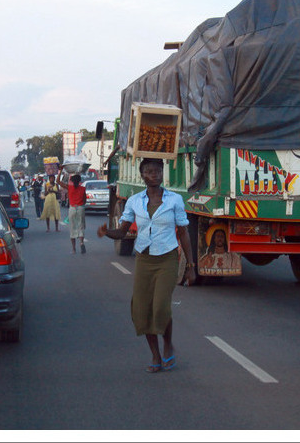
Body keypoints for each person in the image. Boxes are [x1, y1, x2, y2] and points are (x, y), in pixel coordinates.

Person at [97, 157, 196, 373]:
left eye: (158, 170)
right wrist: (107, 233)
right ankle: (155, 353)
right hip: (144, 259)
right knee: (142, 310)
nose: (155, 174)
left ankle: (168, 344)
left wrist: (190, 265)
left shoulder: (175, 200)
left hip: (167, 259)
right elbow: (123, 232)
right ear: (142, 176)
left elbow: (183, 233)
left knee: (160, 307)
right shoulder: (134, 201)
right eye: (150, 171)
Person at [58, 168, 87, 253]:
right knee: (81, 227)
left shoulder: (69, 187)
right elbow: (85, 200)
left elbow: (58, 182)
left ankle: (74, 249)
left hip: (72, 209)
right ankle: (81, 242)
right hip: (81, 208)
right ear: (79, 181)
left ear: (72, 181)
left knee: (72, 229)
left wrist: (60, 171)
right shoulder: (82, 189)